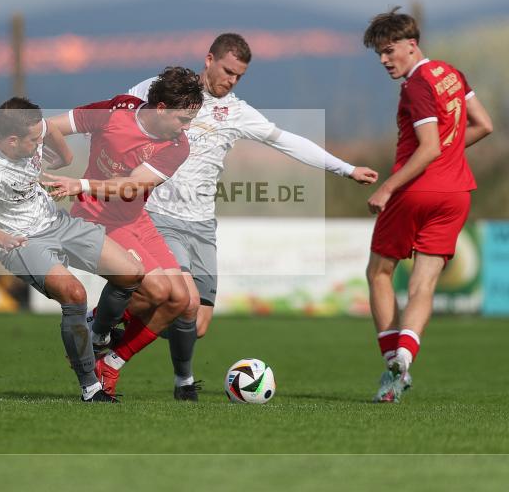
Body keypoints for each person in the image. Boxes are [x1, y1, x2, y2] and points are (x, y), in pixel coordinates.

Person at [117, 33, 378, 400]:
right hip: (160, 214)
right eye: (227, 71)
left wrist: (345, 169)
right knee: (184, 300)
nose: (231, 81)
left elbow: (286, 141)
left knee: (198, 322)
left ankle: (167, 365)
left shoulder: (237, 112)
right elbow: (117, 116)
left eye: (239, 76)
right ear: (209, 59)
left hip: (203, 224)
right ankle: (130, 350)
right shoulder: (164, 90)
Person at [0, 97, 145, 403]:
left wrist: (65, 155)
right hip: (20, 241)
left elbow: (48, 129)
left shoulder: (29, 130)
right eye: (34, 140)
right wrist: (3, 238)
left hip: (56, 222)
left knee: (131, 273)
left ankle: (97, 333)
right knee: (74, 294)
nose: (39, 142)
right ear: (11, 141)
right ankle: (91, 387)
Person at [43, 66, 203, 396]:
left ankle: (109, 362)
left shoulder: (177, 146)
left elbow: (131, 186)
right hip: (95, 217)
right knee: (158, 291)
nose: (187, 129)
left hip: (135, 220)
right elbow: (50, 126)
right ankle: (97, 329)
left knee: (183, 301)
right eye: (183, 120)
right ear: (161, 108)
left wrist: (80, 183)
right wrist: (55, 156)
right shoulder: (116, 111)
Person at [362, 8, 493, 403]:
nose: (384, 60)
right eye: (379, 54)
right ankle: (405, 357)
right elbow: (484, 124)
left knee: (380, 273)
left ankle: (390, 365)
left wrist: (387, 188)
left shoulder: (415, 86)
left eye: (389, 51)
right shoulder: (451, 73)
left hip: (416, 191)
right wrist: (452, 154)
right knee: (423, 284)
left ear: (411, 44)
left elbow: (430, 147)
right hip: (456, 195)